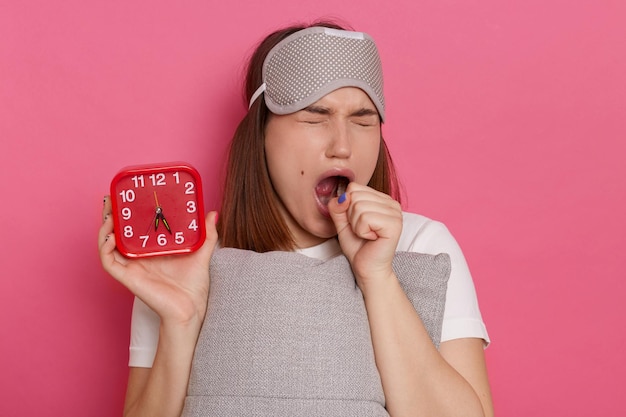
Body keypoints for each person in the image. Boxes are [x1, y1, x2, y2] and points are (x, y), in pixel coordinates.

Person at [99, 20, 494, 417]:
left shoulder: (420, 244)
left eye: (363, 120)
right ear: (261, 134)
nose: (342, 146)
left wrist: (379, 277)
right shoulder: (187, 259)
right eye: (314, 117)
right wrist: (180, 319)